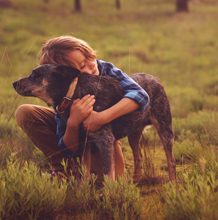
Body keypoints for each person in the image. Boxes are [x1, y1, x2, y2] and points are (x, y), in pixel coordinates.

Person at [15, 36, 149, 179]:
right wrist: (73, 122)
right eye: (82, 65)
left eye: (89, 56)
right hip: (76, 133)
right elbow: (69, 148)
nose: (91, 64)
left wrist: (102, 118)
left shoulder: (105, 68)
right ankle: (66, 170)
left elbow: (141, 95)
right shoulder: (61, 93)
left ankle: (92, 170)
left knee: (114, 183)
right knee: (25, 112)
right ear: (65, 75)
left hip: (105, 133)